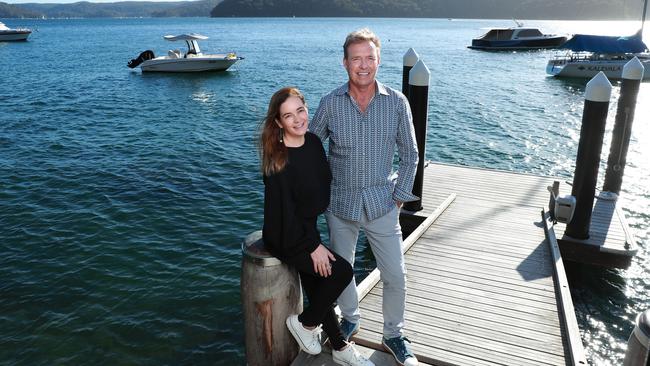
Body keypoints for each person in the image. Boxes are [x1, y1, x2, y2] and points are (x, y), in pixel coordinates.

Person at [310, 28, 420, 366]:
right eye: (356, 58)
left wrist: (399, 196)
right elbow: (311, 150)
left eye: (369, 58)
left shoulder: (397, 102)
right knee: (342, 271)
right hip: (339, 205)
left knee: (395, 274)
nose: (363, 65)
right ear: (345, 63)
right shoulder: (330, 103)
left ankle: (394, 334)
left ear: (378, 60)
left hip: (382, 204)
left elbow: (411, 154)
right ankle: (351, 317)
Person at [260, 87, 374, 366]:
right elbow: (287, 213)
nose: (298, 119)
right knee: (342, 271)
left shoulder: (312, 142)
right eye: (288, 115)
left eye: (301, 110)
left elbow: (321, 185)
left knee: (319, 284)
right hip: (284, 234)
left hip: (307, 228)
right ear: (278, 122)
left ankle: (340, 347)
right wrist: (313, 246)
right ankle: (305, 323)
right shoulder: (278, 159)